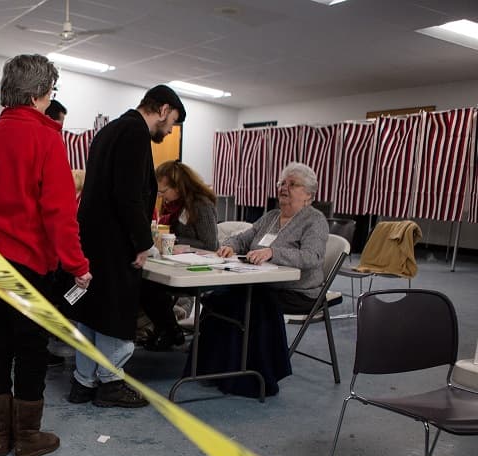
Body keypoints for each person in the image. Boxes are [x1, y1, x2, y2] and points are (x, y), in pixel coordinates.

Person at [0, 54, 91, 456]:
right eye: (50, 91)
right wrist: (78, 266)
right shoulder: (47, 139)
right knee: (31, 348)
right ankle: (28, 438)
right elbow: (59, 212)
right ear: (39, 94)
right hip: (27, 264)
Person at [68, 84, 186, 408]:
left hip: (92, 239)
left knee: (92, 314)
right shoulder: (135, 133)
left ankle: (83, 382)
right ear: (163, 109)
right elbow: (129, 196)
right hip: (116, 242)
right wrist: (142, 243)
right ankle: (111, 384)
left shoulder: (108, 131)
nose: (170, 129)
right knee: (115, 314)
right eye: (172, 121)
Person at [199, 161, 329, 397]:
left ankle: (252, 377)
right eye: (282, 183)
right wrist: (228, 246)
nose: (283, 187)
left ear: (309, 195)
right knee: (218, 298)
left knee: (248, 304)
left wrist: (273, 252)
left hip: (297, 291)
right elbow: (243, 238)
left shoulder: (315, 220)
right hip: (261, 283)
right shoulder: (271, 217)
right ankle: (214, 368)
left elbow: (313, 256)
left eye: (292, 184)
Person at [139, 159, 218, 350]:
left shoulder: (201, 205)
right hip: (177, 263)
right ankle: (170, 329)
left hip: (198, 268)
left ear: (178, 186)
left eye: (163, 191)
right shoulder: (175, 205)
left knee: (150, 287)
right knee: (144, 283)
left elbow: (210, 244)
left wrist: (176, 241)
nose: (160, 196)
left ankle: (169, 330)